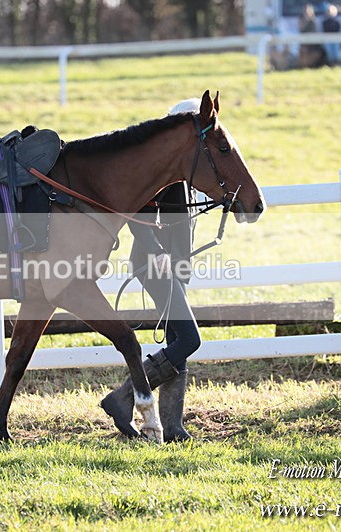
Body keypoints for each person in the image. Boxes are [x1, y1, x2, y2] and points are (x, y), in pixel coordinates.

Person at [100, 99, 202, 443]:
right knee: (190, 339)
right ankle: (124, 396)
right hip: (155, 265)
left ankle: (173, 427)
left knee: (178, 342)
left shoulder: (184, 169)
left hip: (175, 267)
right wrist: (157, 251)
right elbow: (136, 214)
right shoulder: (159, 169)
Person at [298, 4, 325, 68]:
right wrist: (306, 20)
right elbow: (300, 29)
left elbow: (316, 30)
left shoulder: (314, 19)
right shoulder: (301, 19)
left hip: (313, 41)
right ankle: (304, 65)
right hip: (304, 41)